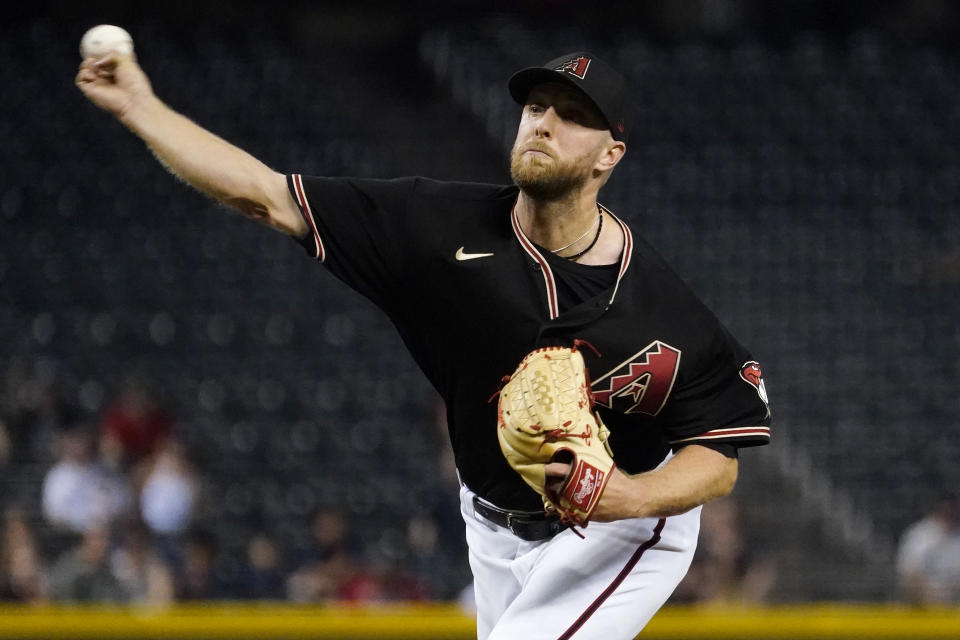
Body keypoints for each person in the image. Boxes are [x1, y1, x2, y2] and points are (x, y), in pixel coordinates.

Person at [77, 45, 771, 638]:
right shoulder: (436, 231)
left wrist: (629, 496)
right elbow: (264, 193)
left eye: (573, 117)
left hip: (618, 529)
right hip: (491, 523)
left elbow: (720, 457)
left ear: (608, 155)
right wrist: (140, 107)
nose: (544, 124)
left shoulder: (661, 310)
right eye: (537, 108)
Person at [895, 490, 960, 605]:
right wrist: (930, 597)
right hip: (924, 608)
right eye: (946, 508)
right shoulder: (919, 536)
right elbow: (909, 574)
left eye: (953, 508)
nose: (950, 512)